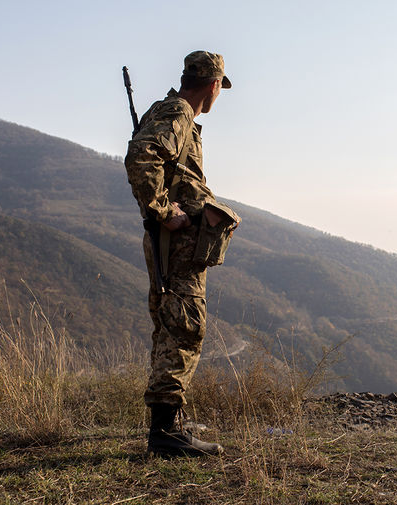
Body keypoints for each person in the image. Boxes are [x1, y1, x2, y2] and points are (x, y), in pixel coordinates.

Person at [124, 50, 232, 457]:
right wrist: (165, 211)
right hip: (178, 244)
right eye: (220, 88)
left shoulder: (171, 111)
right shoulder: (178, 113)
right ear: (214, 85)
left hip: (175, 243)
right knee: (185, 326)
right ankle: (166, 433)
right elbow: (142, 156)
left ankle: (168, 423)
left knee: (172, 325)